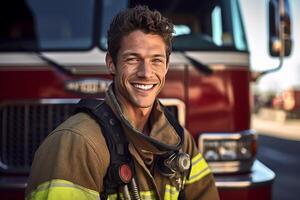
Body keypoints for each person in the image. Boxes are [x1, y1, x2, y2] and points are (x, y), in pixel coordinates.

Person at [25, 6, 220, 200]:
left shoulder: (179, 141)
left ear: (167, 67)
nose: (146, 73)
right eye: (133, 59)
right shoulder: (78, 144)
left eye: (156, 61)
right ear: (111, 63)